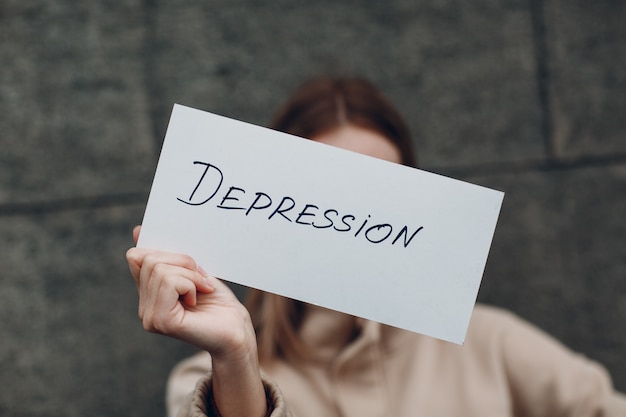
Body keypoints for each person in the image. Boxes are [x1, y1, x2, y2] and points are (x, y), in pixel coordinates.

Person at [126, 76, 626, 417]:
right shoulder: (212, 375)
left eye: (383, 187)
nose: (351, 215)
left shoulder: (488, 342)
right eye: (329, 186)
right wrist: (236, 355)